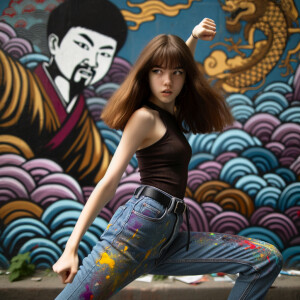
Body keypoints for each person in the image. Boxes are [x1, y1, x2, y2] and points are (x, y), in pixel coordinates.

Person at [53, 18, 283, 300]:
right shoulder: (144, 117)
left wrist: (193, 36)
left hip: (168, 236)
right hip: (136, 232)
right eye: (157, 71)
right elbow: (109, 181)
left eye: (177, 73)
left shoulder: (169, 110)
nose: (167, 81)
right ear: (145, 75)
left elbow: (175, 63)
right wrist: (70, 248)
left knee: (265, 258)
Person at [0, 0, 127, 186]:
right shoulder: (16, 83)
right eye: (84, 46)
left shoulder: (84, 126)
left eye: (105, 54)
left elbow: (104, 175)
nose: (92, 61)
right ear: (54, 44)